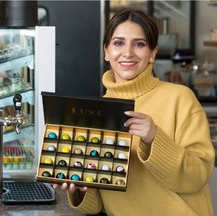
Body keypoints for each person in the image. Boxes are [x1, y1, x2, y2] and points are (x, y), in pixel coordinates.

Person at [53, 8, 215, 216]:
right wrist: (82, 188)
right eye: (118, 43)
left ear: (153, 53)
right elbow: (97, 205)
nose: (128, 53)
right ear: (106, 51)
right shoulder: (96, 112)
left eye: (139, 44)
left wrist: (155, 138)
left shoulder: (180, 98)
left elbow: (197, 176)